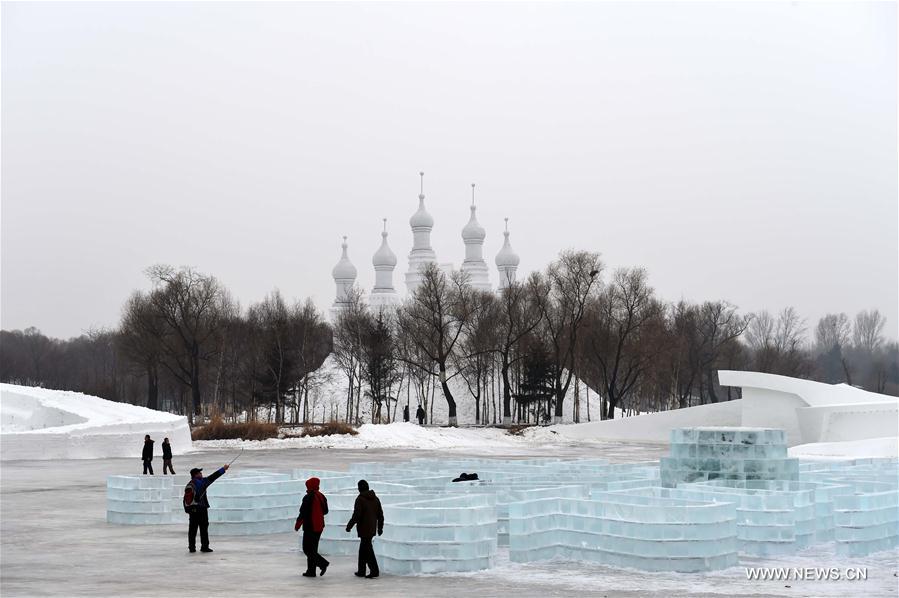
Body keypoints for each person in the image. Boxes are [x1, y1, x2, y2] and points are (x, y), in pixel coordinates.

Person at [183, 464, 230, 553]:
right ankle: (204, 546)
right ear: (196, 475)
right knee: (203, 528)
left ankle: (192, 547)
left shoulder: (190, 484)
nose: (201, 474)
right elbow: (213, 477)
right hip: (201, 509)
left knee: (192, 529)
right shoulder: (200, 482)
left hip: (192, 509)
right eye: (200, 473)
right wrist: (223, 469)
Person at [345, 479, 384, 579]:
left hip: (364, 528)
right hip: (371, 528)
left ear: (359, 488)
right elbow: (380, 515)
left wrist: (349, 526)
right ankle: (361, 570)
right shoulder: (375, 499)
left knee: (367, 550)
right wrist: (379, 528)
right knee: (363, 549)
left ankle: (374, 570)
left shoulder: (360, 499)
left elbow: (356, 515)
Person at [295, 477, 330, 577]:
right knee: (313, 549)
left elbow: (303, 512)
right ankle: (311, 571)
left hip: (310, 526)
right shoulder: (321, 496)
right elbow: (326, 511)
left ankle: (323, 564)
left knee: (307, 549)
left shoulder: (308, 497)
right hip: (319, 526)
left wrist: (298, 524)